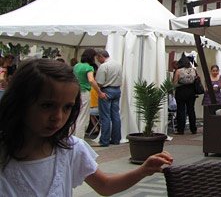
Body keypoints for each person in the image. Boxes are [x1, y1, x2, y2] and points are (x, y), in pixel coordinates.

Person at [0, 58, 173, 196]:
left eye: (67, 107)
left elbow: (105, 186)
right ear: (20, 102)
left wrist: (143, 170)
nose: (58, 117)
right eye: (47, 105)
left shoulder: (70, 149)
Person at [73, 48, 106, 139]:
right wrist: (99, 92)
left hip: (75, 92)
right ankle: (79, 139)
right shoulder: (89, 67)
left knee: (75, 115)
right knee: (83, 117)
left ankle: (72, 137)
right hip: (84, 92)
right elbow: (91, 80)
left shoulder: (76, 66)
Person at [94, 49, 123, 147]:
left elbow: (99, 82)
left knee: (105, 116)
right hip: (117, 90)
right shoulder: (118, 64)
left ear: (101, 56)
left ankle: (104, 141)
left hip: (106, 90)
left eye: (98, 58)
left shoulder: (103, 66)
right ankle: (116, 139)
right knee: (115, 115)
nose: (97, 60)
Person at [172, 57, 198, 134]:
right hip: (191, 91)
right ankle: (193, 129)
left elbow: (175, 83)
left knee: (181, 110)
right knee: (191, 110)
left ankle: (181, 129)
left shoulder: (178, 71)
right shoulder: (194, 70)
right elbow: (196, 80)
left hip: (181, 91)